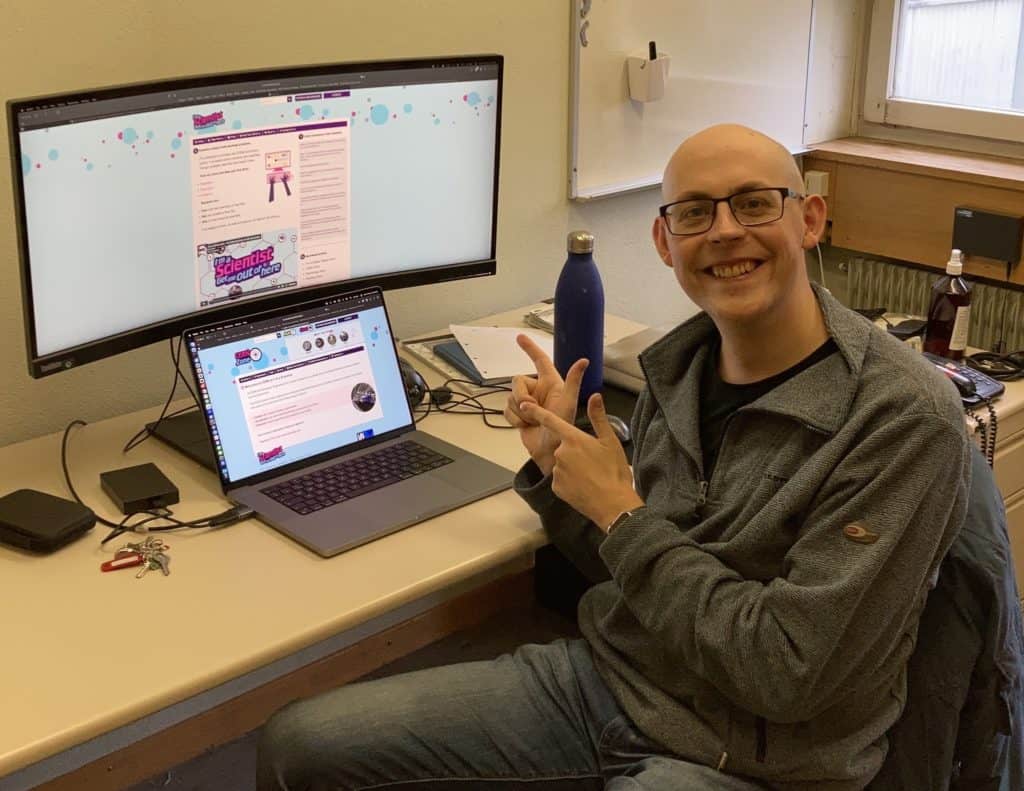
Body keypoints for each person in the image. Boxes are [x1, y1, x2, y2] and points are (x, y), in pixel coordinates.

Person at [257, 124, 972, 790]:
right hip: (616, 674)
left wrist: (619, 510)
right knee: (300, 743)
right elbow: (631, 570)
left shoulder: (900, 416)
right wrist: (559, 470)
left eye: (755, 204)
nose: (725, 231)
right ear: (665, 242)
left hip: (762, 757)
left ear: (810, 219)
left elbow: (788, 669)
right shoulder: (683, 366)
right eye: (694, 213)